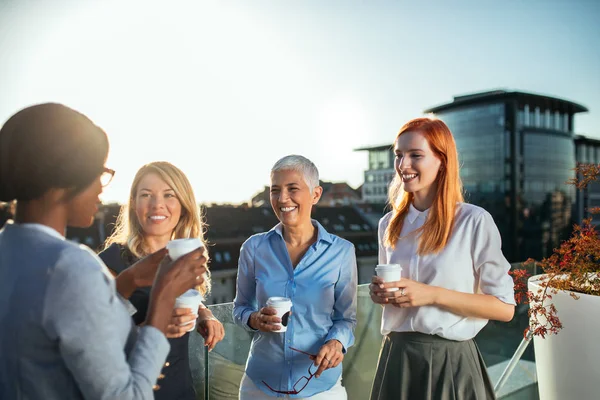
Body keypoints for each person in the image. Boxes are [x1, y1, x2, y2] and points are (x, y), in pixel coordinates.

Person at [0, 103, 207, 399]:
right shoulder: (70, 267)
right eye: (99, 171)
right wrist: (163, 297)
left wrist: (128, 281)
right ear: (65, 176)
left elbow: (76, 331)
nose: (102, 185)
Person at [368, 116, 516, 400]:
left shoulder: (474, 221)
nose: (403, 165)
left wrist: (431, 295)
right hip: (397, 358)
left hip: (451, 362)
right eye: (399, 155)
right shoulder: (388, 224)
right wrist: (379, 293)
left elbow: (505, 308)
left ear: (442, 161)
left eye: (416, 155)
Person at [233, 155, 358, 399]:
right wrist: (254, 319)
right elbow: (240, 308)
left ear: (315, 194)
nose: (282, 199)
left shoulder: (341, 252)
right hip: (260, 385)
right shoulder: (254, 248)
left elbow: (346, 319)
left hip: (319, 385)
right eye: (275, 190)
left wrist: (336, 343)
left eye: (293, 189)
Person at [100, 161, 225, 400]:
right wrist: (155, 323)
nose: (157, 204)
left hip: (181, 390)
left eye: (169, 195)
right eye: (146, 195)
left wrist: (203, 314)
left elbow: (185, 299)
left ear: (183, 205)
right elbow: (96, 340)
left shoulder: (184, 255)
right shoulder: (111, 262)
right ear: (134, 204)